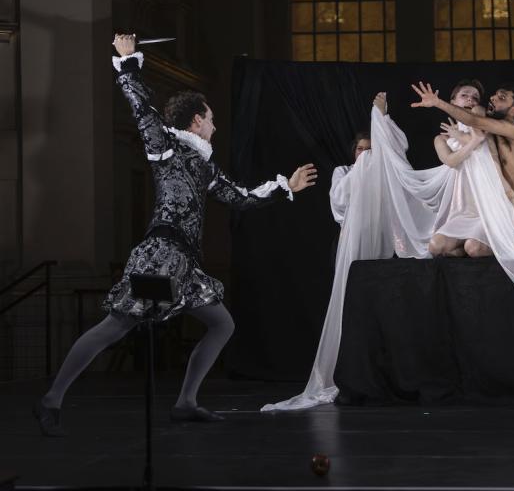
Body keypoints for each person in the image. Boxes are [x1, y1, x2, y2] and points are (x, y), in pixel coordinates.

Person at [33, 33, 317, 437]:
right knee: (117, 325)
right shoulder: (165, 147)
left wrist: (285, 186)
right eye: (211, 118)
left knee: (222, 324)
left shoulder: (204, 165)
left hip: (185, 263)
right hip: (161, 255)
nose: (215, 126)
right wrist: (127, 61)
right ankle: (51, 399)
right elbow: (141, 109)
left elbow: (239, 198)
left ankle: (185, 402)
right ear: (196, 120)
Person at [411, 81, 514, 252]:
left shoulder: (513, 131)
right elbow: (468, 140)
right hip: (480, 209)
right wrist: (462, 136)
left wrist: (438, 103)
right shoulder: (481, 128)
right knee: (445, 247)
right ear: (454, 100)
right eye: (464, 96)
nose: (493, 98)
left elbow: (474, 122)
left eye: (501, 98)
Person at [329, 132, 371, 226]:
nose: (364, 153)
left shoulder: (380, 173)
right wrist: (360, 167)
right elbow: (338, 200)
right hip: (351, 229)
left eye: (368, 150)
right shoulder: (342, 171)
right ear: (355, 151)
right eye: (360, 149)